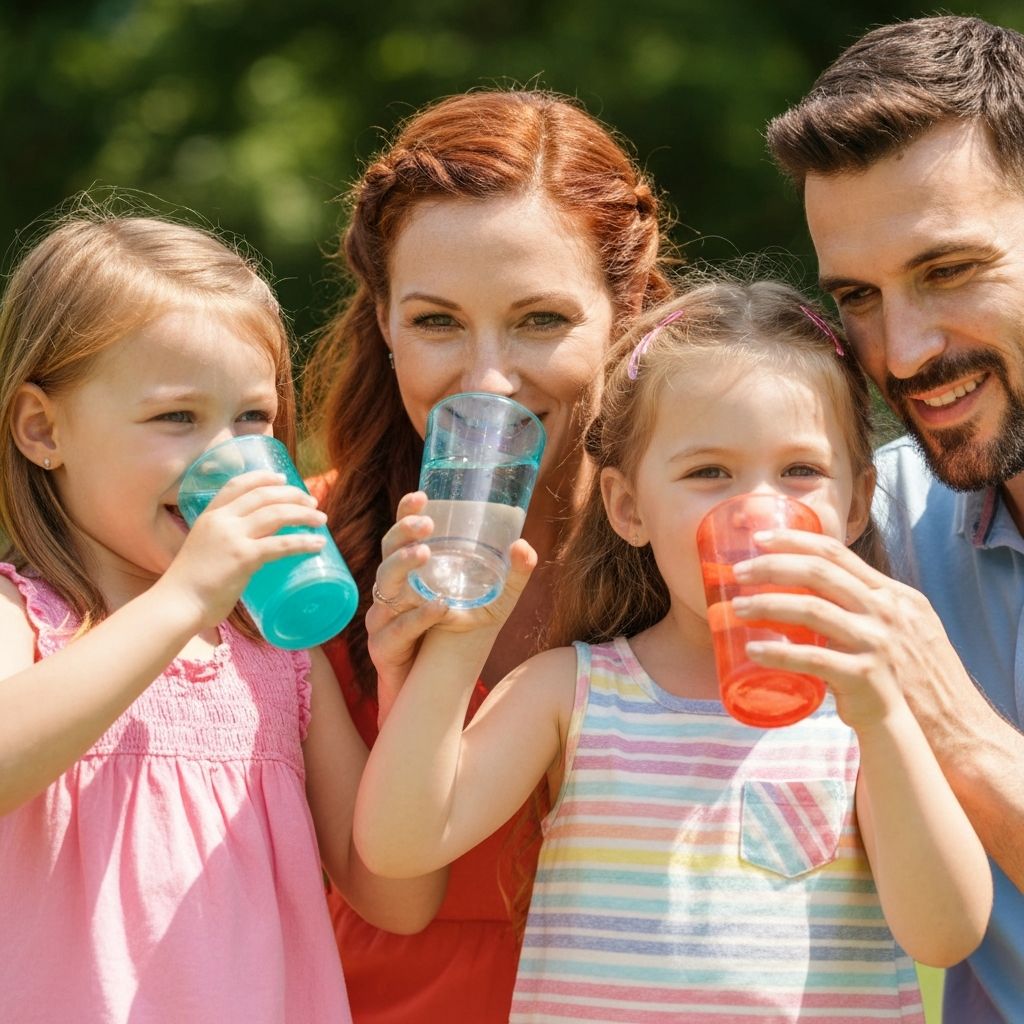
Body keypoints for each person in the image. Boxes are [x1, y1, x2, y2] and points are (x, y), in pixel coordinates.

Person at [353, 279, 992, 1022]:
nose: (756, 507)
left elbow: (946, 933)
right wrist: (458, 648)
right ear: (629, 508)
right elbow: (400, 846)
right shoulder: (573, 691)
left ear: (853, 505)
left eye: (800, 471)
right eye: (708, 472)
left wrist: (883, 717)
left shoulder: (869, 712)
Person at [0, 211, 442, 1024]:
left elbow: (395, 894)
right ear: (42, 429)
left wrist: (409, 677)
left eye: (251, 419)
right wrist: (182, 600)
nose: (225, 457)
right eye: (175, 418)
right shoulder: (24, 618)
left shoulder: (274, 652)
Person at [303, 88, 674, 1022]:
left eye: (540, 320)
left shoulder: (698, 561)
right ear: (383, 318)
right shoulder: (298, 562)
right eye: (437, 323)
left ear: (624, 307)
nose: (488, 379)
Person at [765, 15, 1024, 1022]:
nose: (905, 350)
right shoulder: (872, 526)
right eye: (858, 296)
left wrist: (948, 718)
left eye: (947, 271)